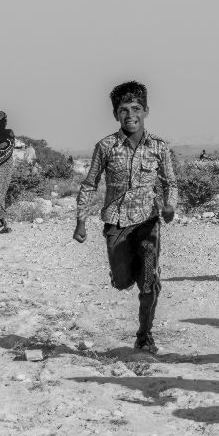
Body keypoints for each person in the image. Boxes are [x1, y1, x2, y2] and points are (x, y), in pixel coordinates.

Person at [73, 81, 177, 355]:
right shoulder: (106, 146)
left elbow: (170, 183)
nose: (130, 115)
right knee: (122, 282)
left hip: (147, 221)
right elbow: (89, 184)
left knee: (148, 281)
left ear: (146, 111)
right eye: (123, 110)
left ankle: (144, 335)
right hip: (116, 223)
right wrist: (81, 221)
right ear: (115, 115)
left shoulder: (159, 147)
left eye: (136, 108)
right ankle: (125, 272)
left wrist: (170, 207)